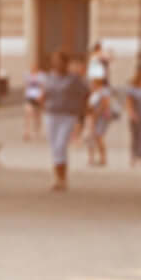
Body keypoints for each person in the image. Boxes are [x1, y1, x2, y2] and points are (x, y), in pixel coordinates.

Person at [43, 50, 89, 190]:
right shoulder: (50, 76)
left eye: (59, 61)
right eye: (54, 61)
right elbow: (45, 93)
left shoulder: (74, 79)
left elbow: (86, 93)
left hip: (68, 115)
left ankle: (62, 178)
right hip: (51, 114)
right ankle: (58, 178)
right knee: (54, 147)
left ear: (65, 63)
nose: (56, 63)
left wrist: (82, 110)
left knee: (61, 144)